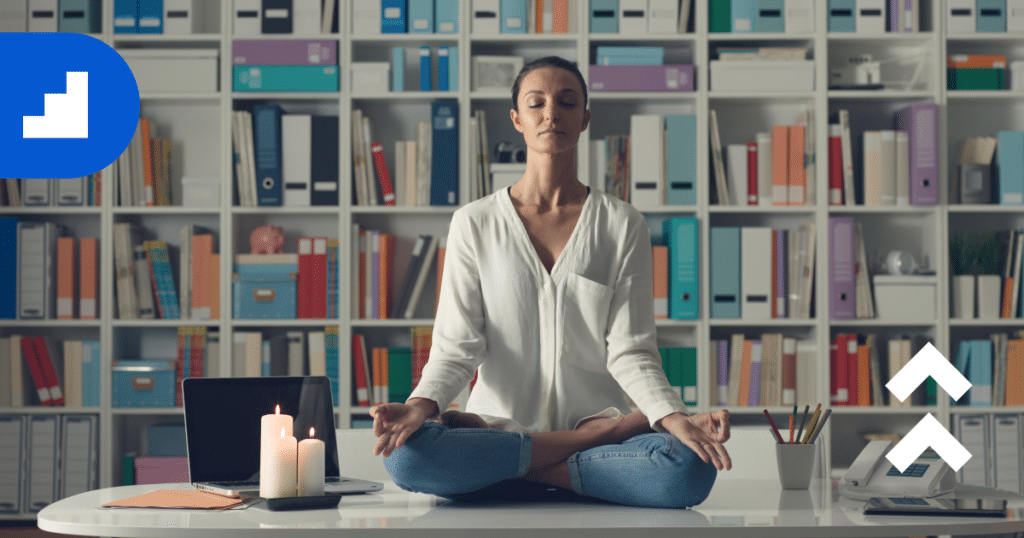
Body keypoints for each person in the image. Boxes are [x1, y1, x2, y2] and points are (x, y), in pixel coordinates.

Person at [370, 56, 731, 509]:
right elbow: (455, 348)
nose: (551, 113)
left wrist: (670, 417)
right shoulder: (474, 223)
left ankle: (510, 475)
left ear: (584, 118)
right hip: (503, 429)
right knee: (406, 460)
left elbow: (631, 350)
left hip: (587, 440)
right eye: (536, 102)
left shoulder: (622, 224)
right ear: (517, 119)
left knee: (689, 471)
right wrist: (421, 406)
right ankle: (589, 447)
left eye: (566, 101)